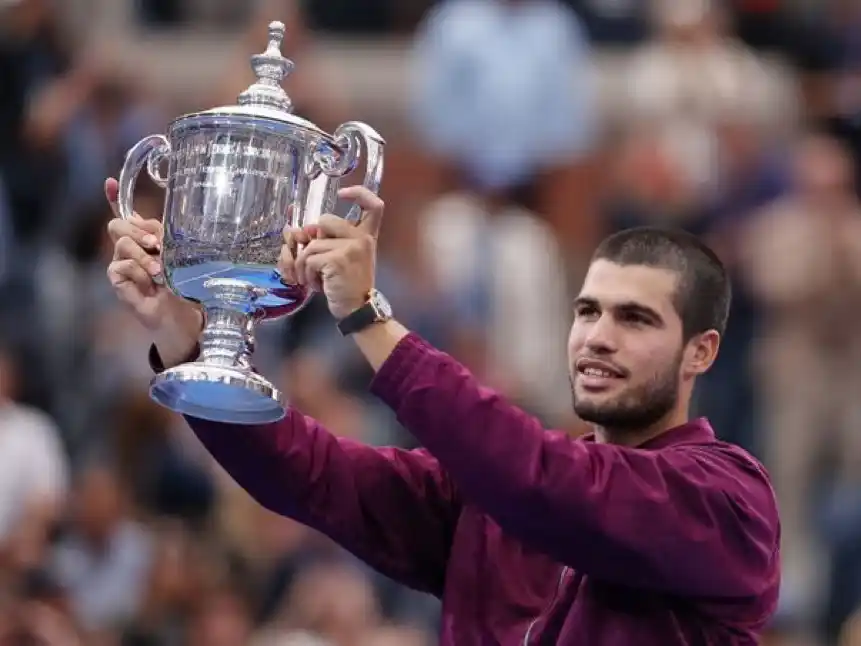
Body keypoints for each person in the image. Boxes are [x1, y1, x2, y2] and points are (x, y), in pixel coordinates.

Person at [104, 176, 780, 645]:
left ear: (701, 352)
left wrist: (368, 316)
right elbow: (310, 472)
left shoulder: (726, 501)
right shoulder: (488, 498)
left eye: (634, 319)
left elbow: (549, 484)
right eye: (586, 311)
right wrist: (187, 339)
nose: (597, 336)